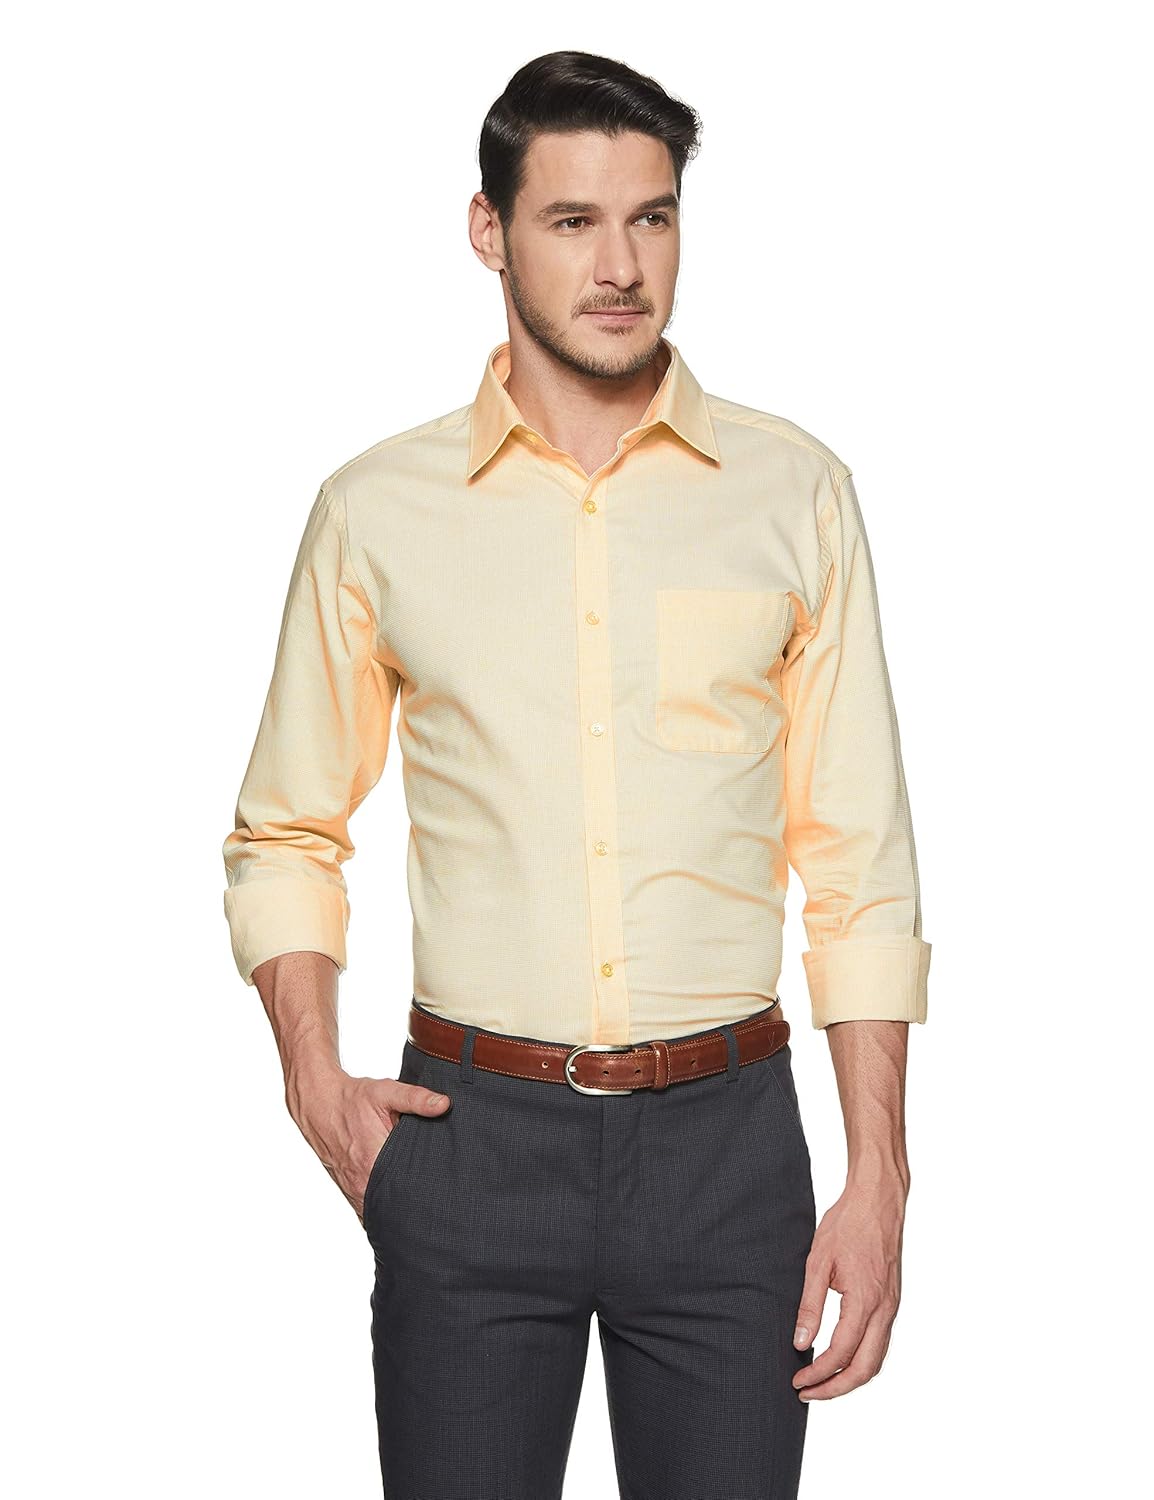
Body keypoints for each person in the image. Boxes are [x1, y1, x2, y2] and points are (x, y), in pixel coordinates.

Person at [221, 48, 932, 1500]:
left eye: (651, 218)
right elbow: (286, 827)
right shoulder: (377, 511)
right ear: (489, 232)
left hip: (729, 1151)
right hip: (468, 1146)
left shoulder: (795, 493)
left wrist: (880, 1176)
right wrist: (315, 1084)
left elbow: (857, 861)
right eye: (573, 221)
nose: (621, 266)